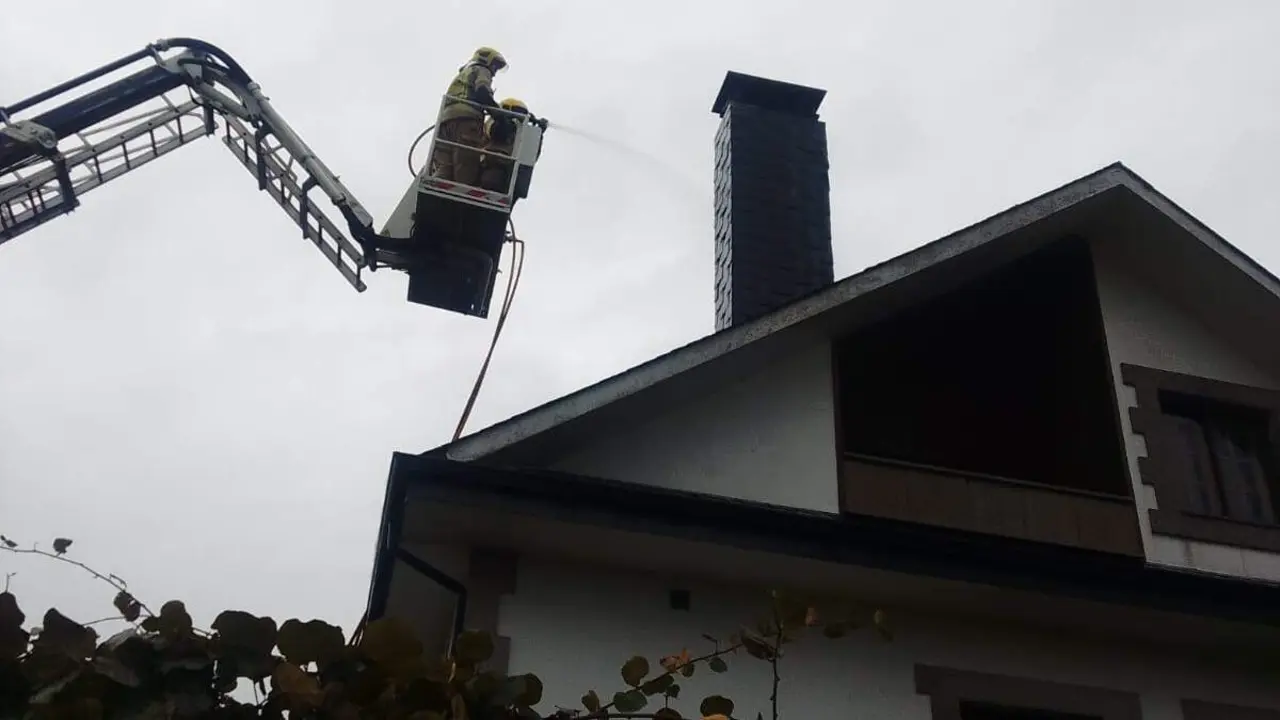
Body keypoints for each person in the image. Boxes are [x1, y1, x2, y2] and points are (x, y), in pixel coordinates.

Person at [431, 47, 507, 186]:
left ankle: (436, 196)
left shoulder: (463, 74)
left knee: (445, 169)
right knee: (466, 168)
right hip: (467, 120)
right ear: (486, 59)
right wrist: (500, 115)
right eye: (495, 66)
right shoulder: (482, 70)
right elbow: (482, 92)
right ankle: (457, 206)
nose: (494, 72)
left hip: (446, 122)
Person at [479, 97, 530, 192]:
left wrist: (539, 133)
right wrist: (504, 122)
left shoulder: (521, 134)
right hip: (490, 165)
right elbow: (496, 131)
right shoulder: (494, 123)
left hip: (508, 171)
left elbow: (530, 155)